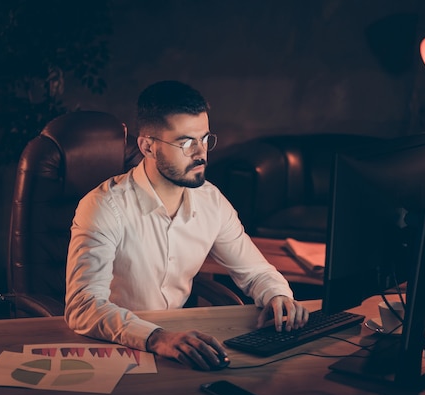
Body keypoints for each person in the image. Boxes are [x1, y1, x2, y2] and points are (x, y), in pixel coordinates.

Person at [64, 80, 309, 371]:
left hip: (180, 346)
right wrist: (156, 338)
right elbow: (84, 306)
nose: (200, 153)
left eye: (205, 139)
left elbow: (255, 271)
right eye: (185, 142)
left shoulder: (211, 201)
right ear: (147, 146)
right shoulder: (104, 207)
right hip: (112, 349)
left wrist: (278, 295)